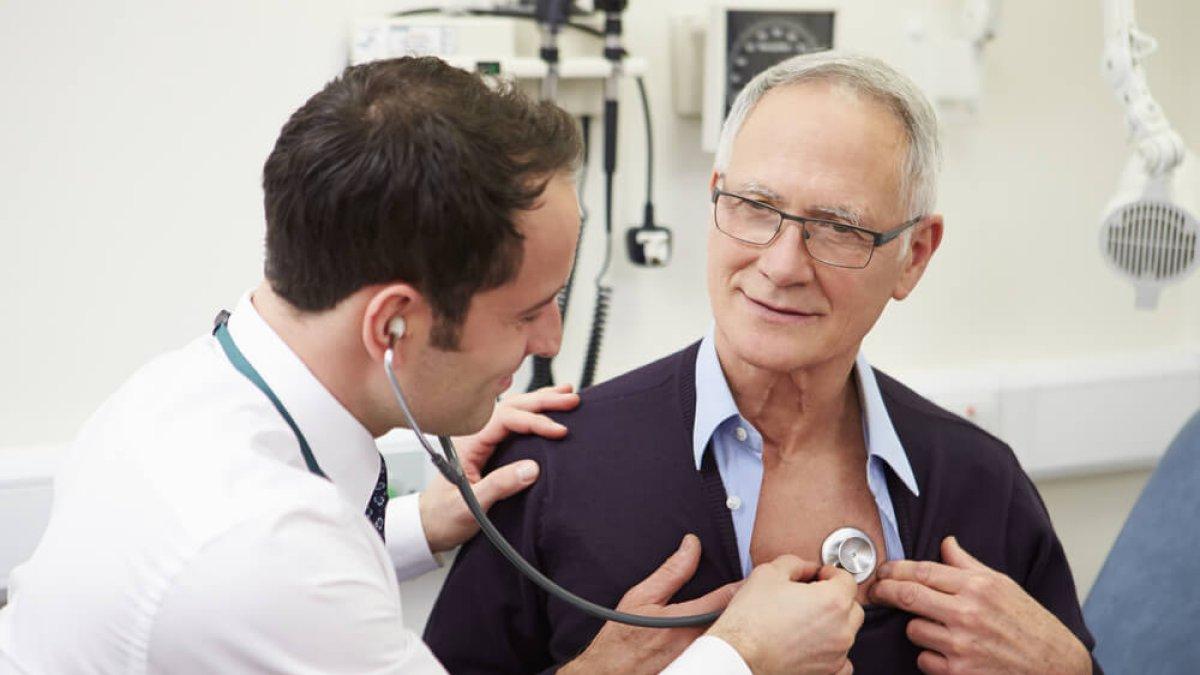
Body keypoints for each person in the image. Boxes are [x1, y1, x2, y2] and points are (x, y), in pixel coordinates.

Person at [0, 56, 863, 674]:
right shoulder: (263, 559)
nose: (551, 339)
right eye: (527, 309)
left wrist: (422, 522)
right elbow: (279, 580)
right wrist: (739, 655)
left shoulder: (171, 397)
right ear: (393, 325)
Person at [425, 51, 1100, 674]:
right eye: (755, 207)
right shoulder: (552, 470)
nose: (781, 265)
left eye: (839, 227)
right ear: (715, 196)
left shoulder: (982, 485)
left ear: (914, 255)